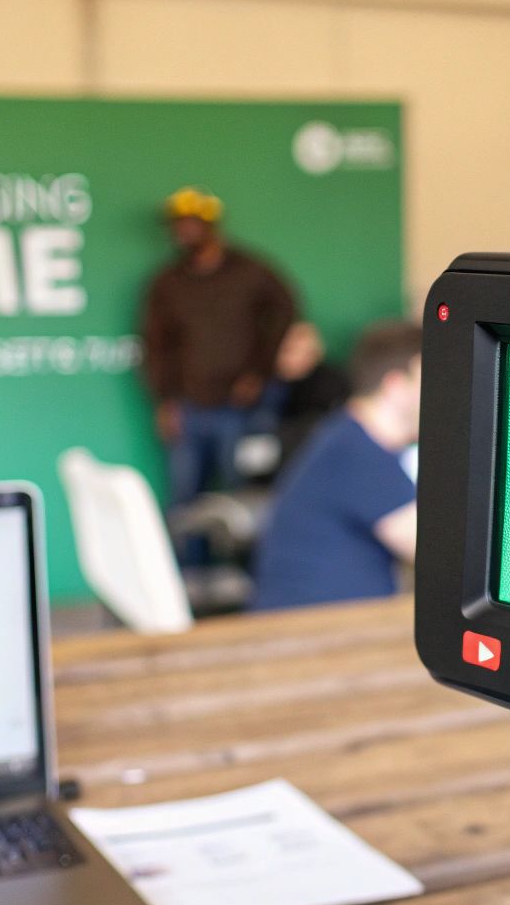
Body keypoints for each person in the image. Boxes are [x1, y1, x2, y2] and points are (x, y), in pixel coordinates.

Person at [141, 186, 298, 511]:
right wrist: (164, 400)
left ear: (210, 225)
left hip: (239, 405)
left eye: (190, 223)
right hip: (188, 406)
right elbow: (155, 345)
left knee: (241, 498)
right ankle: (189, 550)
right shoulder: (167, 282)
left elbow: (285, 309)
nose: (182, 231)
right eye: (177, 224)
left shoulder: (249, 270)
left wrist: (260, 372)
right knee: (185, 500)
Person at [250, 322, 420, 611]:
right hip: (310, 627)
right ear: (395, 386)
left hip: (328, 620)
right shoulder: (357, 451)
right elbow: (439, 554)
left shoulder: (349, 436)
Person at [266, 321, 350, 474]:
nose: (297, 357)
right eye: (290, 350)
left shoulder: (331, 379)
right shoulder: (270, 385)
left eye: (305, 351)